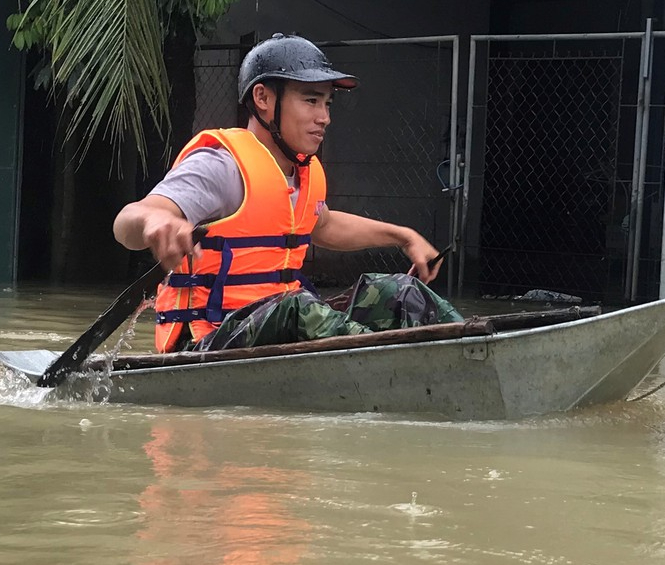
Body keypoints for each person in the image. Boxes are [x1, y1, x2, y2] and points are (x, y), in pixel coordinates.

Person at [113, 33, 459, 353]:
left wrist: (403, 236)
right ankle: (386, 360)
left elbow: (322, 226)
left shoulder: (304, 173)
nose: (324, 117)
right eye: (311, 101)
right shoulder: (220, 166)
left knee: (399, 292)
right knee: (296, 306)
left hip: (279, 325)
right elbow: (128, 221)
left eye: (327, 104)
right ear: (263, 98)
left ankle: (464, 347)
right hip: (207, 342)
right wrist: (155, 220)